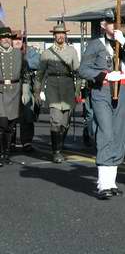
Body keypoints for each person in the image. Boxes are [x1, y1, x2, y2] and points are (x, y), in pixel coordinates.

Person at [78, 10, 125, 199]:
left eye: (120, 23)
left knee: (120, 134)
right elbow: (83, 69)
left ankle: (111, 181)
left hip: (123, 90)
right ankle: (103, 184)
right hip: (103, 90)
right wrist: (104, 76)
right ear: (103, 25)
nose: (116, 26)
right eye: (112, 22)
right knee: (106, 132)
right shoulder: (95, 45)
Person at [35, 23, 80, 163]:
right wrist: (37, 92)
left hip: (68, 88)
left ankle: (60, 145)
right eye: (58, 34)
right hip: (53, 88)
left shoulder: (72, 51)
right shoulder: (46, 53)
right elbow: (40, 74)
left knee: (64, 123)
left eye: (63, 34)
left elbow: (78, 72)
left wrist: (78, 90)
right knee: (55, 121)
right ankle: (56, 152)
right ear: (53, 36)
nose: (60, 36)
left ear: (65, 35)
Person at [0, 27, 30, 166]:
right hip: (1, 91)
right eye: (3, 37)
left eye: (8, 37)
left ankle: (6, 155)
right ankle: (1, 154)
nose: (6, 40)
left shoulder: (19, 54)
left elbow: (25, 73)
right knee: (2, 124)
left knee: (10, 126)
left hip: (14, 91)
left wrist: (25, 91)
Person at [11, 30, 39, 153]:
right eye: (15, 39)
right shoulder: (6, 52)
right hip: (11, 89)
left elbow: (38, 62)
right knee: (10, 117)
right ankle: (10, 142)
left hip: (27, 87)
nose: (17, 41)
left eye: (19, 39)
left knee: (27, 115)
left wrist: (24, 61)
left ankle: (27, 142)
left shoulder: (30, 51)